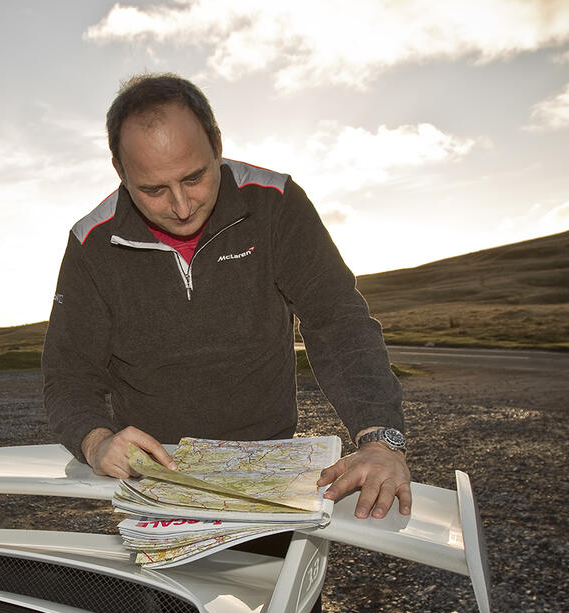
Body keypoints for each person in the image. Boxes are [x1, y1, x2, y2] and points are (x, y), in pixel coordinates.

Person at [42, 73, 410, 523]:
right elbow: (69, 370)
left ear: (216, 144)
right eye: (153, 190)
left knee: (281, 592)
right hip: (156, 480)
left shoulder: (276, 203)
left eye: (194, 177)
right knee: (164, 595)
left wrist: (379, 441)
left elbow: (336, 321)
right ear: (120, 170)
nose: (181, 206)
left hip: (270, 472)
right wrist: (95, 441)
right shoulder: (91, 243)